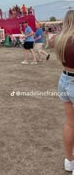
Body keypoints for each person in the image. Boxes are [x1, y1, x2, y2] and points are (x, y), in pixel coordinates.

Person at [49, 10, 74, 174]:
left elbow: (51, 41)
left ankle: (69, 160)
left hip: (64, 79)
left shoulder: (59, 39)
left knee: (70, 123)